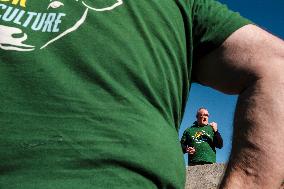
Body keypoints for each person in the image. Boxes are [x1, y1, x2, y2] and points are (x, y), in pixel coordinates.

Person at [0, 0, 283, 188]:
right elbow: (184, 145)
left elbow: (273, 64)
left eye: (206, 113)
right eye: (202, 113)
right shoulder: (191, 131)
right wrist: (188, 149)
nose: (205, 114)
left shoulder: (179, 4)